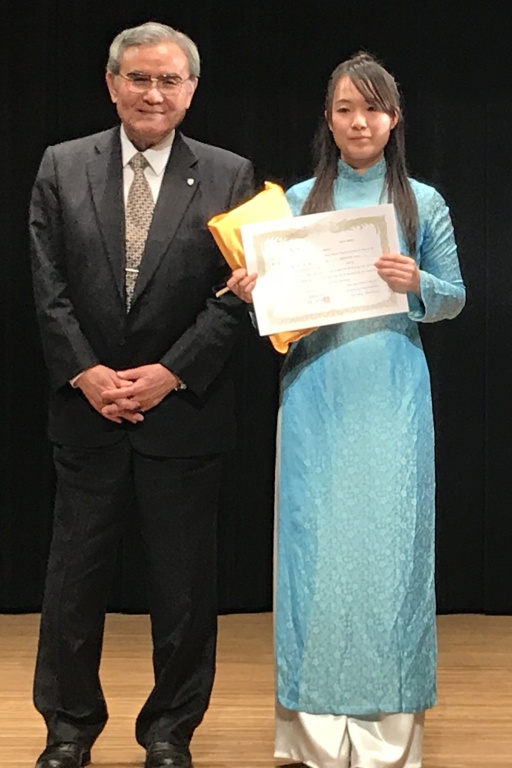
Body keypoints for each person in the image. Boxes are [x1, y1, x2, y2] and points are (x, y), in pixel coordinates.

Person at [227, 52, 465, 768]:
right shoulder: (295, 201)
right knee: (313, 552)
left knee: (391, 551)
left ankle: (390, 735)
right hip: (313, 392)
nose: (359, 122)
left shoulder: (423, 200)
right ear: (327, 121)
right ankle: (310, 733)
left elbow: (453, 298)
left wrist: (415, 277)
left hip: (391, 390)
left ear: (394, 119)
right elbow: (278, 321)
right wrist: (253, 294)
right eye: (344, 110)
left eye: (372, 108)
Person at [27, 21, 254, 768]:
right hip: (85, 410)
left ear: (191, 91)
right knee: (72, 583)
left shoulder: (231, 175)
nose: (153, 94)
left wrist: (170, 372)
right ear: (111, 82)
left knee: (184, 589)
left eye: (169, 81)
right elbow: (47, 285)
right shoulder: (62, 166)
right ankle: (68, 729)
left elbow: (237, 296)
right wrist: (87, 372)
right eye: (139, 78)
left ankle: (169, 731)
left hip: (182, 413)